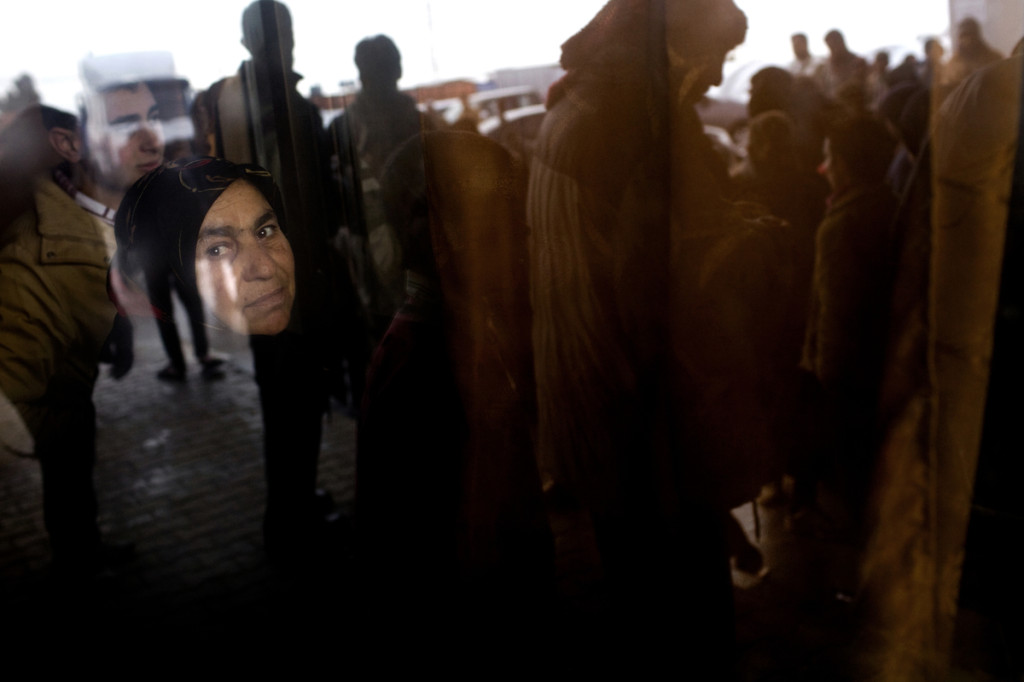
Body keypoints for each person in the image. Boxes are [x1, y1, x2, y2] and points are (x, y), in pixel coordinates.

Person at [528, 0, 749, 666]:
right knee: (686, 615)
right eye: (711, 54)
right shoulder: (640, 125)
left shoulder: (574, 107)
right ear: (669, 44)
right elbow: (657, 300)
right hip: (647, 428)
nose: (713, 77)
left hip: (591, 399)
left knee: (637, 600)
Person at [193, 0, 348, 559]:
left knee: (280, 405)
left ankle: (289, 508)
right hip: (290, 286)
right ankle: (293, 517)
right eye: (284, 35)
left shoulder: (228, 97)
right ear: (277, 41)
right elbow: (308, 206)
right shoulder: (286, 106)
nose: (289, 45)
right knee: (297, 405)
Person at [0, 105, 131, 578]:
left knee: (72, 479)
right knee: (67, 476)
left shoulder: (66, 202)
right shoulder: (36, 235)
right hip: (55, 397)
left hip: (68, 390)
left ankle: (83, 552)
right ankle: (77, 564)